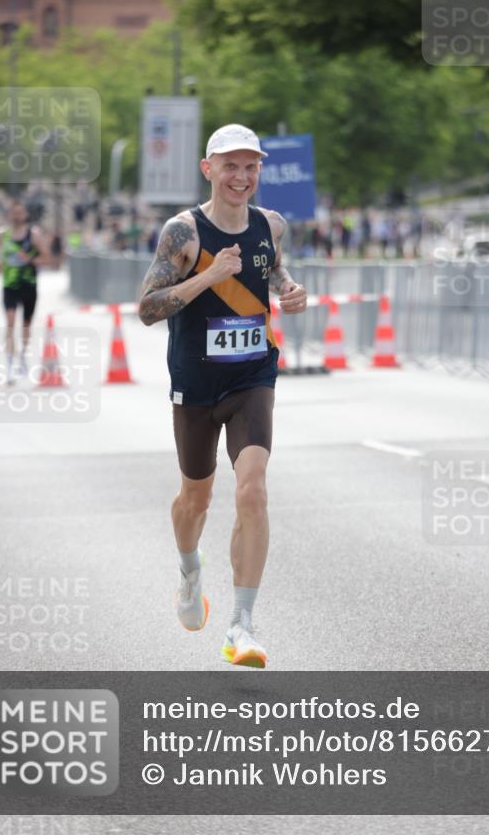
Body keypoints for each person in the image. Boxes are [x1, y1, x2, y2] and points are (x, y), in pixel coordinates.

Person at [138, 124, 307, 669]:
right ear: (208, 169)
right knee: (196, 501)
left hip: (252, 375)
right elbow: (147, 307)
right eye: (230, 166)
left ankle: (243, 625)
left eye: (251, 166)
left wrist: (287, 288)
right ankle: (190, 570)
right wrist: (206, 277)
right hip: (195, 382)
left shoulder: (271, 224)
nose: (242, 177)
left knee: (253, 491)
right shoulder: (183, 232)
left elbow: (271, 265)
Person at [0, 200, 50, 384]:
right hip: (9, 285)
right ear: (9, 215)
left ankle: (23, 355)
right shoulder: (0, 235)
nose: (17, 216)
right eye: (14, 213)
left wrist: (29, 259)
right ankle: (10, 365)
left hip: (29, 284)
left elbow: (46, 258)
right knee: (10, 321)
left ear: (26, 215)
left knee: (26, 325)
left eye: (20, 213)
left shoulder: (34, 235)